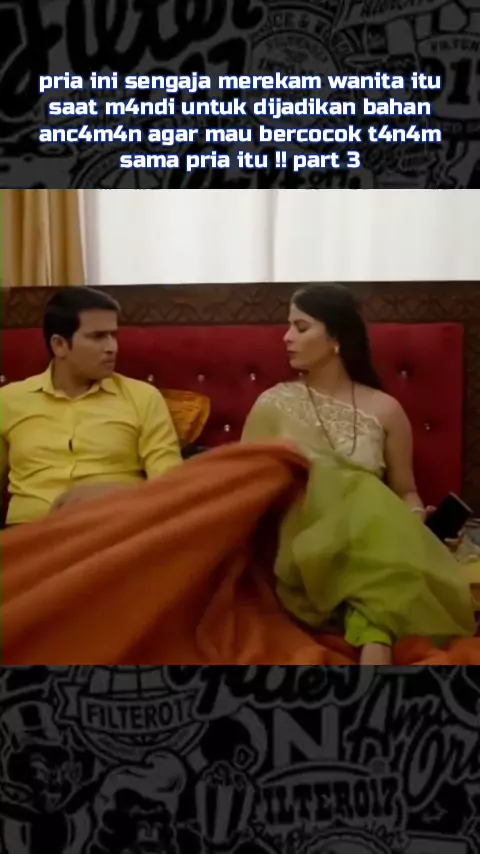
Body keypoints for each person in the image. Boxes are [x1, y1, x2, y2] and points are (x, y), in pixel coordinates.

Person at [241, 283, 479, 665]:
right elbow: (245, 487)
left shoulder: (385, 411)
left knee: (371, 508)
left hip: (370, 545)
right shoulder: (272, 404)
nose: (286, 337)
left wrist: (416, 520)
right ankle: (375, 639)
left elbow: (404, 490)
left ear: (336, 337)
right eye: (288, 326)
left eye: (300, 327)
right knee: (350, 488)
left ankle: (373, 643)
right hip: (300, 553)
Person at [0, 287, 182, 526]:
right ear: (59, 345)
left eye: (113, 335)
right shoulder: (8, 401)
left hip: (114, 528)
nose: (112, 347)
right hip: (30, 533)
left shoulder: (143, 398)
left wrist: (116, 493)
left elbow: (173, 486)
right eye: (97, 337)